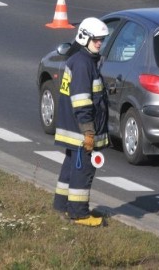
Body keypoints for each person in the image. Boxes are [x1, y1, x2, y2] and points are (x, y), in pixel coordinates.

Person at [53, 17, 110, 226]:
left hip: (71, 128)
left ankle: (61, 205)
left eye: (101, 40)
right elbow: (82, 102)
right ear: (84, 37)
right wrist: (88, 132)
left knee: (70, 167)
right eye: (96, 40)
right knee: (83, 169)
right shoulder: (84, 64)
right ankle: (78, 213)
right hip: (81, 131)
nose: (99, 43)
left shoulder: (79, 60)